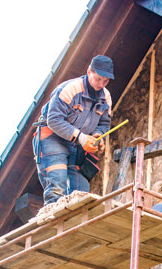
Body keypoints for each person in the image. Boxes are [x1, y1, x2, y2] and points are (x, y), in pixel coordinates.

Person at [33, 55, 113, 205]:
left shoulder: (106, 97)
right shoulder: (70, 89)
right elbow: (54, 120)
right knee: (57, 186)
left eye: (106, 81)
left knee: (81, 193)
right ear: (89, 72)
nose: (101, 84)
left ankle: (75, 225)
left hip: (76, 143)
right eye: (98, 79)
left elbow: (104, 124)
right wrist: (82, 138)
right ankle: (52, 226)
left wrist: (98, 136)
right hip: (53, 136)